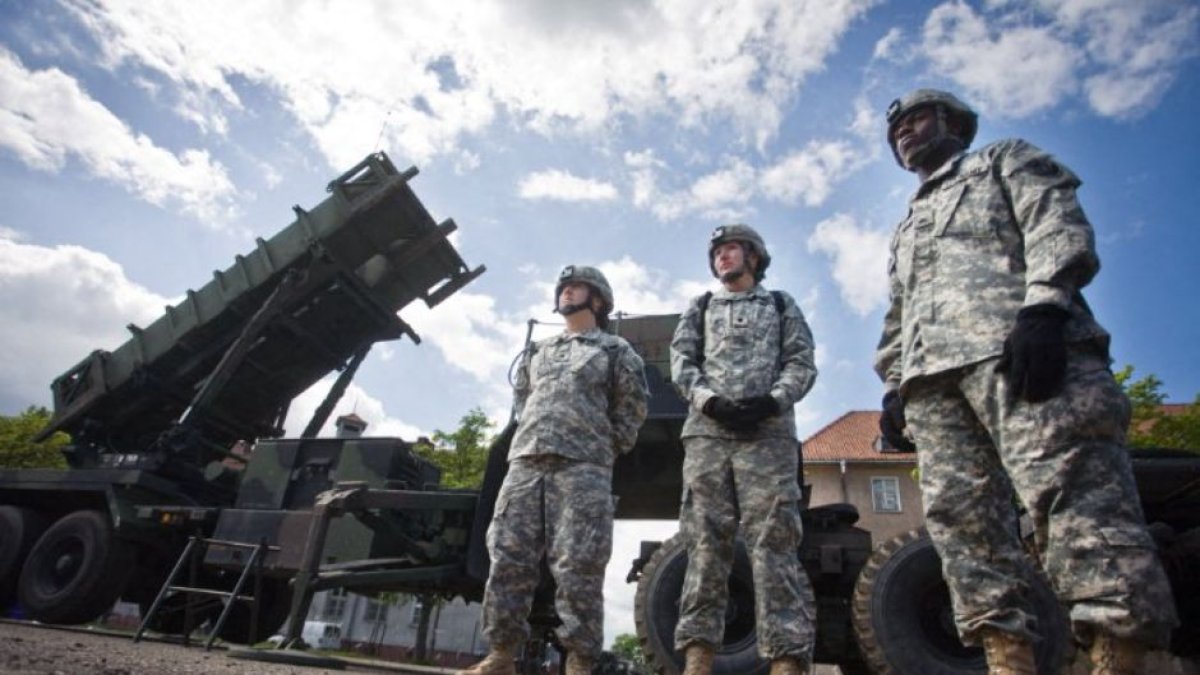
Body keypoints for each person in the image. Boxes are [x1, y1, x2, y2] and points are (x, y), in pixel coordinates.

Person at [875, 88, 1178, 675]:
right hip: (934, 385)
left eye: (917, 119)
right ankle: (1006, 656)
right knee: (962, 524)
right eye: (896, 131)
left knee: (1073, 495)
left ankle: (1117, 649)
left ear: (953, 123)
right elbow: (898, 312)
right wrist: (893, 382)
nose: (905, 132)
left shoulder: (1002, 160)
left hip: (1019, 353)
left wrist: (1044, 306)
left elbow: (1055, 223)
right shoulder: (906, 226)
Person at [458, 265, 648, 675]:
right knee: (508, 557)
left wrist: (600, 448)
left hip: (583, 468)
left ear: (597, 299)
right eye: (563, 287)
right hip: (526, 464)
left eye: (576, 287)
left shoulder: (615, 351)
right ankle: (500, 655)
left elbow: (631, 411)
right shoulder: (537, 351)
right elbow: (522, 401)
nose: (567, 292)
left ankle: (579, 660)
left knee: (579, 564)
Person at [670, 224, 818, 675]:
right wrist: (708, 401)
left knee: (774, 545)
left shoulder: (780, 304)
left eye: (731, 248)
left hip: (767, 438)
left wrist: (773, 400)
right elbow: (682, 362)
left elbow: (801, 362)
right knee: (704, 546)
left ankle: (787, 661)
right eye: (717, 251)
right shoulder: (700, 307)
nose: (722, 256)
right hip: (708, 438)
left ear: (753, 256)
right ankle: (698, 659)